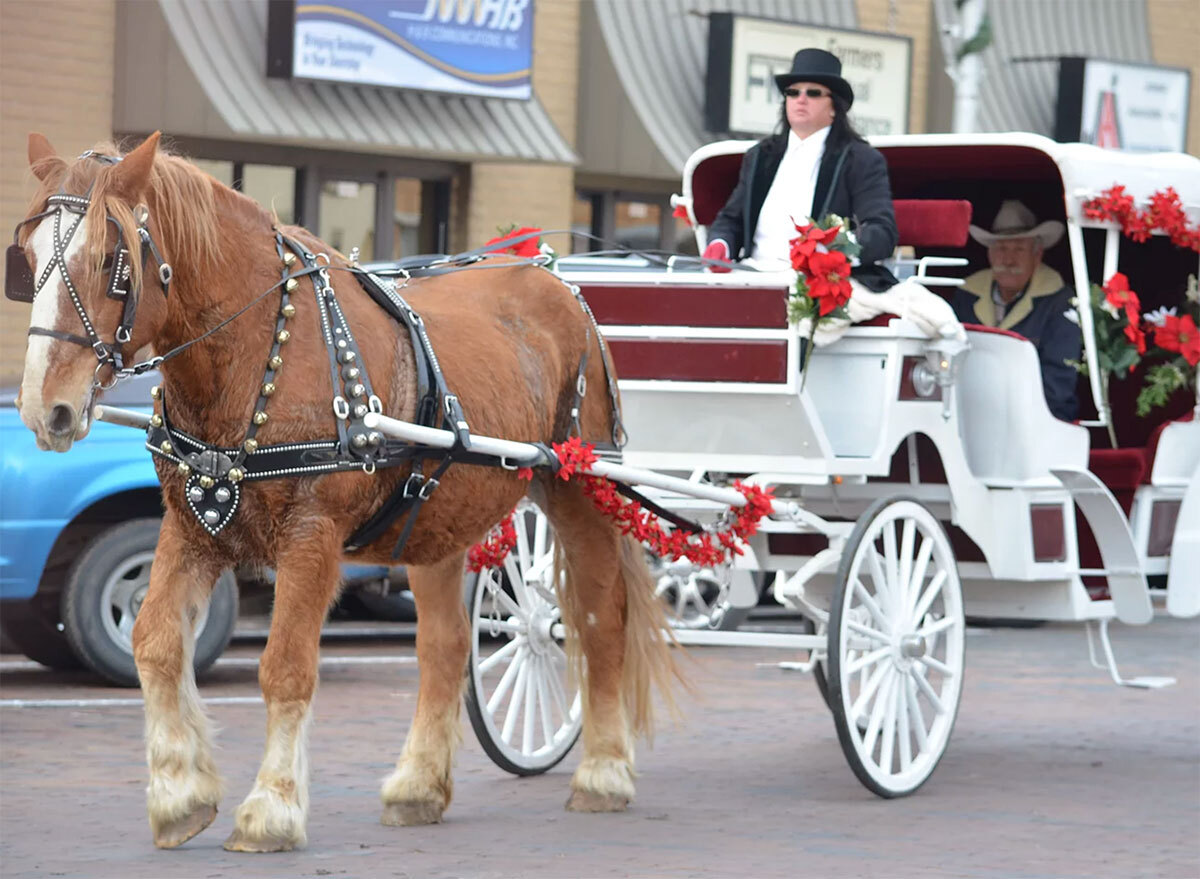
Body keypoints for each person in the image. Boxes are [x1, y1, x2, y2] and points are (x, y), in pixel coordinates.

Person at [705, 48, 899, 294]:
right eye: (793, 92)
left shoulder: (860, 159)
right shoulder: (761, 156)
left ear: (834, 107)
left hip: (817, 286)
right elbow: (731, 220)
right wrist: (721, 244)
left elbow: (881, 232)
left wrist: (833, 251)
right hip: (752, 277)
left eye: (814, 92)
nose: (801, 98)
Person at [950, 199, 1081, 421]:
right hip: (967, 417)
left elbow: (1058, 385)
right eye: (1001, 248)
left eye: (1018, 249)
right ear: (989, 254)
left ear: (1037, 255)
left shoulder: (1060, 302)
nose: (1008, 259)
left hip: (1040, 422)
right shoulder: (966, 294)